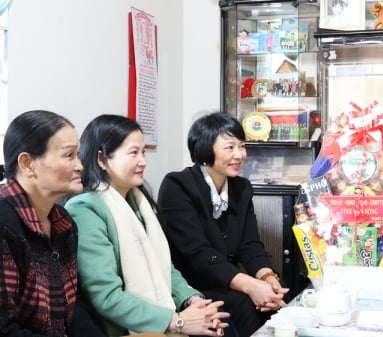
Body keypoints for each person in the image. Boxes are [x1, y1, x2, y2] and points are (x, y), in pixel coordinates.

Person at [64, 115, 233, 337]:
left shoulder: (137, 202)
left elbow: (164, 267)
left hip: (163, 317)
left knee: (224, 320)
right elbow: (106, 296)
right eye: (133, 153)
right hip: (123, 329)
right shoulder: (86, 209)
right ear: (102, 159)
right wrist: (178, 321)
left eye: (143, 152)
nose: (143, 161)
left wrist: (195, 302)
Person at [157, 112, 289, 337]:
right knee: (241, 305)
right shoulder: (177, 186)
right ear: (205, 150)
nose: (239, 155)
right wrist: (250, 286)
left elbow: (251, 245)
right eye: (230, 147)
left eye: (242, 146)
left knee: (280, 299)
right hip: (191, 286)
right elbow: (197, 254)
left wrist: (267, 279)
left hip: (227, 282)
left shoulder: (242, 188)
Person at [0, 110, 93, 336]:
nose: (80, 165)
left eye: (78, 155)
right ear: (27, 163)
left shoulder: (64, 222)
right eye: (69, 155)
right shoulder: (4, 223)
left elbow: (71, 303)